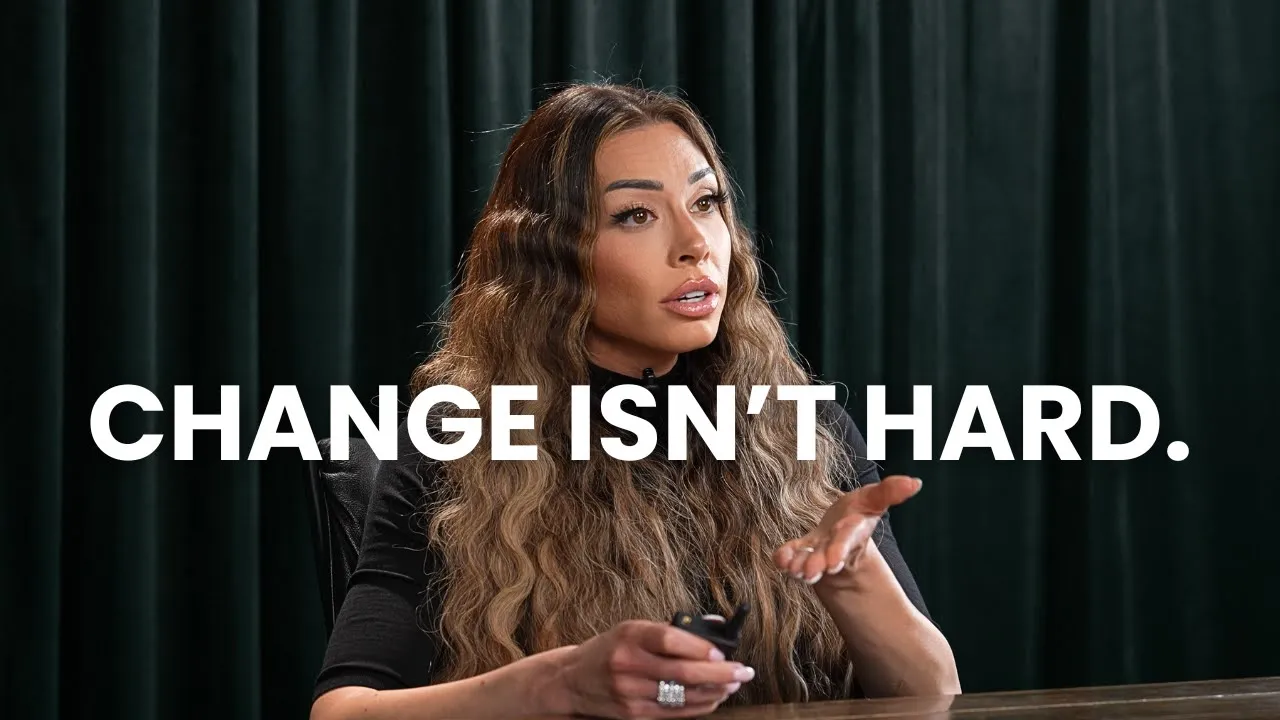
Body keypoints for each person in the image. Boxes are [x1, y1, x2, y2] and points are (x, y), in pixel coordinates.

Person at [310, 83, 959, 720]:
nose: (695, 243)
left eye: (705, 202)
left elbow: (938, 696)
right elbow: (343, 712)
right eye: (635, 215)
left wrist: (852, 576)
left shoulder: (807, 429)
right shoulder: (457, 446)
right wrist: (560, 685)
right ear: (549, 256)